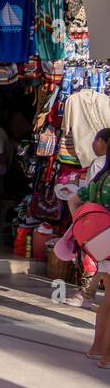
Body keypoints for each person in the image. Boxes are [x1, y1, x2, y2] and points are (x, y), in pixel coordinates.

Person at [74, 157, 110, 366]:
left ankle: (97, 348)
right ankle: (107, 357)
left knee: (107, 301)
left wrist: (81, 232)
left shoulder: (100, 177)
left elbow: (73, 200)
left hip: (102, 244)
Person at [69, 128, 110, 308]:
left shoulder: (100, 172)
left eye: (96, 140)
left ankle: (87, 294)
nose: (94, 144)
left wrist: (80, 227)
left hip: (100, 234)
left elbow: (74, 199)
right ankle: (87, 294)